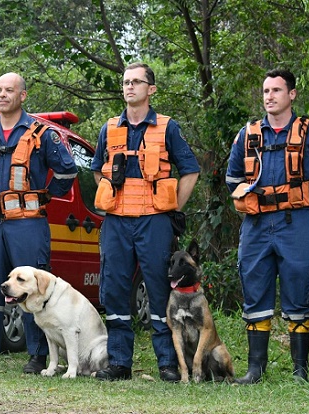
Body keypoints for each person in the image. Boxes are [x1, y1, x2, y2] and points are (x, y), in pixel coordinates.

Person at [225, 69, 309, 383]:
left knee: (299, 296)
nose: (269, 96)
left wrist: (307, 203)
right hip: (256, 226)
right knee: (255, 293)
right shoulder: (248, 134)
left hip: (297, 225)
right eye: (266, 91)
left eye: (277, 90)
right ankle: (255, 370)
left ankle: (300, 372)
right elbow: (232, 178)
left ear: (291, 94)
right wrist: (247, 200)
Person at [0, 72, 77, 373]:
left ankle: (38, 355)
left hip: (28, 223)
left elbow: (67, 171)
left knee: (33, 289)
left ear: (22, 95)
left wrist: (45, 196)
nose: (2, 95)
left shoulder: (43, 134)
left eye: (9, 90)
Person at [90, 62, 200, 381]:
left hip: (155, 222)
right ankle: (120, 362)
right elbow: (98, 169)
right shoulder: (109, 129)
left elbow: (190, 170)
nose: (129, 87)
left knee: (159, 290)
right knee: (114, 289)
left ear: (151, 89)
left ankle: (167, 363)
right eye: (126, 82)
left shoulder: (168, 127)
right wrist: (110, 193)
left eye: (136, 82)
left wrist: (173, 205)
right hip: (117, 223)